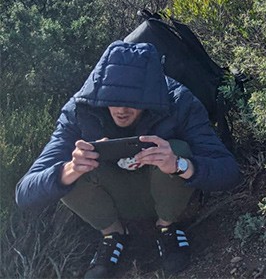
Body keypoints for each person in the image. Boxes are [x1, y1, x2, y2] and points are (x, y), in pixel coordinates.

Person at [16, 41, 241, 278]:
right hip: (113, 198)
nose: (122, 110)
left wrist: (179, 165)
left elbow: (228, 171)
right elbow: (24, 192)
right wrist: (70, 169)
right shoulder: (80, 110)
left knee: (177, 150)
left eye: (133, 103)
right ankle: (113, 235)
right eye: (113, 99)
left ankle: (166, 227)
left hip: (166, 194)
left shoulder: (178, 101)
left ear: (150, 96)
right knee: (68, 169)